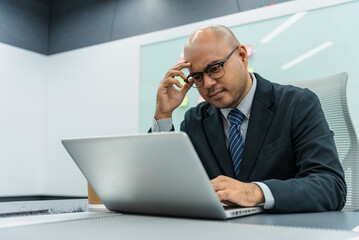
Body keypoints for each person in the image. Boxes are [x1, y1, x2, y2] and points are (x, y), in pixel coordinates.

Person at [150, 25, 346, 213]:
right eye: (198, 77)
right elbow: (165, 188)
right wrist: (163, 115)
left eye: (215, 68)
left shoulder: (297, 104)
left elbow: (330, 185)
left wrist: (255, 192)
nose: (208, 83)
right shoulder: (196, 120)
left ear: (242, 56)